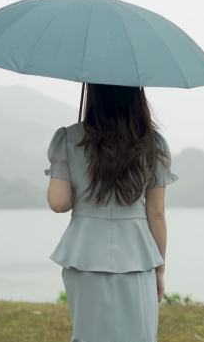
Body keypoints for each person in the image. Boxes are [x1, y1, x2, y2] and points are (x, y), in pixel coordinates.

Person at [44, 82, 178, 342]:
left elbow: (58, 203)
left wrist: (80, 185)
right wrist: (159, 269)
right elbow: (157, 212)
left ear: (92, 92)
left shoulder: (68, 138)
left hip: (83, 252)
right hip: (137, 255)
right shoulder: (154, 143)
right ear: (136, 95)